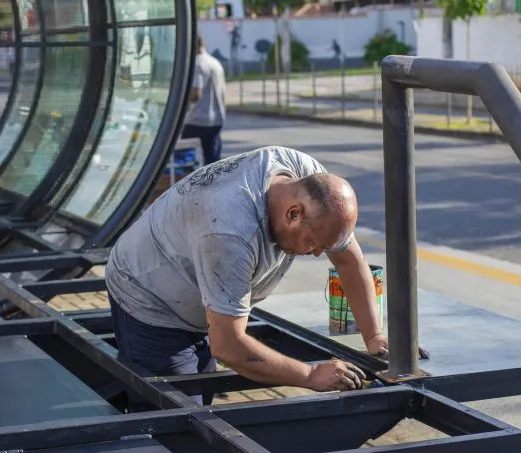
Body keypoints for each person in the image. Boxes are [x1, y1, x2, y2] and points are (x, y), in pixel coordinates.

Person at [105, 146, 386, 409]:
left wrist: (374, 337)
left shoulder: (308, 179)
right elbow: (229, 345)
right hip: (148, 294)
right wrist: (310, 374)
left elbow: (349, 262)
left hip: (195, 285)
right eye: (313, 243)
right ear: (293, 214)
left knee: (202, 393)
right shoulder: (229, 233)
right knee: (175, 417)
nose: (316, 254)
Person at [181, 34, 226, 165]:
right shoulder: (215, 62)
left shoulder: (198, 64)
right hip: (216, 119)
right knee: (213, 161)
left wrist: (180, 98)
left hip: (197, 119)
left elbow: (195, 93)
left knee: (186, 160)